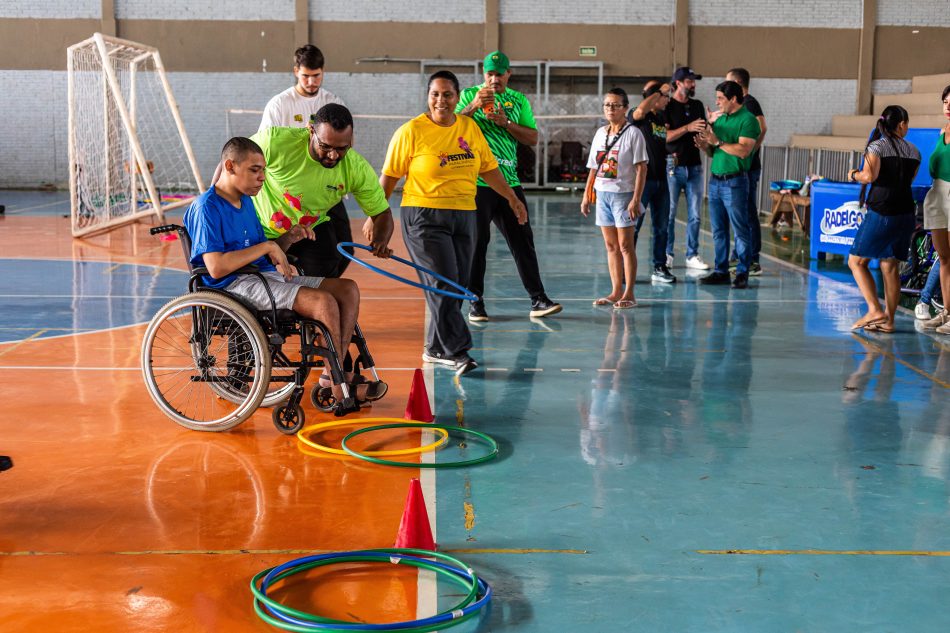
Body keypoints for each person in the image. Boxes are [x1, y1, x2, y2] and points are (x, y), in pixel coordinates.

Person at [185, 137, 386, 404]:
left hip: (261, 276)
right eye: (254, 170)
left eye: (263, 170)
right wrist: (267, 246)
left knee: (347, 289)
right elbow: (216, 267)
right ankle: (340, 386)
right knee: (323, 302)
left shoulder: (245, 202)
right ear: (230, 166)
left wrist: (288, 238)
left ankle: (334, 375)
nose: (262, 177)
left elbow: (262, 251)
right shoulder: (206, 208)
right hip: (232, 285)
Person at [380, 70, 528, 377]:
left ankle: (435, 347)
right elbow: (389, 177)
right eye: (435, 94)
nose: (441, 101)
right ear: (428, 97)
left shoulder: (469, 127)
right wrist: (376, 217)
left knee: (457, 284)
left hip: (464, 214)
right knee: (444, 282)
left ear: (458, 97)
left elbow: (488, 169)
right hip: (424, 216)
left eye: (447, 95)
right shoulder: (411, 131)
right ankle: (457, 350)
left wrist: (513, 199)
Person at [456, 50, 562, 322]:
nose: (494, 79)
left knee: (523, 240)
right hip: (477, 183)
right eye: (490, 74)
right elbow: (451, 127)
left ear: (508, 74)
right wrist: (473, 107)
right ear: (484, 74)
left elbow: (533, 138)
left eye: (499, 74)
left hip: (509, 183)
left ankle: (538, 299)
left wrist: (507, 123)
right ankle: (475, 301)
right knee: (477, 244)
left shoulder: (518, 100)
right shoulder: (468, 95)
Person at [246, 104, 395, 280]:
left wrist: (381, 239)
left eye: (342, 148)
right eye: (325, 146)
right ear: (311, 131)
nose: (333, 155)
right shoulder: (275, 142)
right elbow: (233, 161)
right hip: (257, 227)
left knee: (330, 269)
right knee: (249, 281)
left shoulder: (356, 168)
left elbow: (382, 213)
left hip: (308, 231)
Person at [258, 45, 352, 277]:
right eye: (305, 76)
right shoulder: (279, 104)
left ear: (323, 71)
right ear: (296, 72)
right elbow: (262, 149)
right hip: (289, 193)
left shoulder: (333, 102)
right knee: (303, 246)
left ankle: (316, 283)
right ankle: (300, 284)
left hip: (326, 188)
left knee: (345, 249)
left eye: (316, 75)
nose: (311, 82)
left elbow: (345, 145)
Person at [846, 105, 921, 333]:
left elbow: (869, 176)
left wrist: (853, 174)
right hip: (905, 213)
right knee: (890, 266)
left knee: (856, 262)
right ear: (902, 125)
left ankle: (874, 310)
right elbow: (908, 180)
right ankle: (888, 321)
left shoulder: (877, 146)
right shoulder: (914, 151)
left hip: (883, 212)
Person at [580, 88, 648, 309]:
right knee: (611, 246)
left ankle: (629, 293)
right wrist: (586, 195)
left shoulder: (634, 133)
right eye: (607, 105)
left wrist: (635, 199)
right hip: (603, 195)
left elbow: (642, 169)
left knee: (626, 246)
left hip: (623, 195)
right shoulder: (601, 133)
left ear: (625, 108)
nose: (610, 108)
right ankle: (616, 290)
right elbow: (593, 167)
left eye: (616, 105)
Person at [695, 80, 760, 289]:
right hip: (715, 181)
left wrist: (717, 142)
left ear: (733, 99)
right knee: (718, 230)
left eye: (720, 98)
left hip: (735, 181)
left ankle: (742, 272)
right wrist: (705, 145)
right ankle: (721, 271)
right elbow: (713, 152)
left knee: (740, 229)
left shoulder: (748, 120)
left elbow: (744, 151)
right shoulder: (721, 120)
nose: (717, 102)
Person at [628, 80, 675, 284]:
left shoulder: (661, 117)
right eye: (665, 97)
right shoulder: (638, 115)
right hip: (642, 182)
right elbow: (640, 111)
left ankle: (659, 267)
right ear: (654, 97)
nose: (668, 100)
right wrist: (658, 92)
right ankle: (626, 269)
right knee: (634, 227)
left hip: (661, 180)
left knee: (662, 227)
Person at [664, 67, 709, 270]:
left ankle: (692, 255)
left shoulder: (697, 105)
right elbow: (665, 136)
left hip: (695, 167)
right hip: (673, 167)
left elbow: (703, 131)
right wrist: (687, 128)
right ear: (678, 83)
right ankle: (667, 254)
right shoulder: (667, 106)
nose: (693, 85)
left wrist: (710, 128)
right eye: (689, 81)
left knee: (695, 214)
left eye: (693, 81)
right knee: (670, 213)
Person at [726, 68, 767, 276]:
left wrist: (749, 152)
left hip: (748, 169)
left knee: (748, 213)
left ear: (737, 84)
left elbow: (762, 127)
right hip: (740, 169)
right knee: (740, 213)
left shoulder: (750, 103)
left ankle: (752, 259)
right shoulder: (741, 105)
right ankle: (740, 255)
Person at [919, 85, 950, 334]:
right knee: (945, 258)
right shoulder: (942, 131)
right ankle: (946, 312)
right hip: (937, 193)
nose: (948, 106)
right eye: (946, 102)